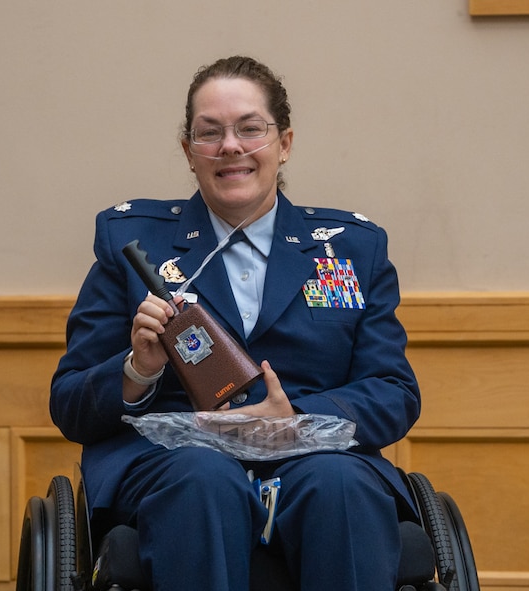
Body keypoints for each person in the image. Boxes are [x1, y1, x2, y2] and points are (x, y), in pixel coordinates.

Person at [50, 55, 421, 591]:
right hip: (175, 467)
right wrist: (139, 369)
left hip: (318, 462)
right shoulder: (130, 244)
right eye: (210, 132)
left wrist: (294, 419)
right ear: (188, 151)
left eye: (250, 129)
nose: (231, 146)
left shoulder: (353, 250)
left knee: (338, 482)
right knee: (203, 477)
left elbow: (393, 391)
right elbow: (69, 404)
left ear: (284, 143)